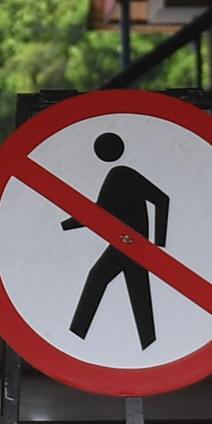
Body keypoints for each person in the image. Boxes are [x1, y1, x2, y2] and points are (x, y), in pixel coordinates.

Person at [68, 129, 175, 353]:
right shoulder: (118, 175)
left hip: (131, 244)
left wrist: (159, 242)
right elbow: (98, 213)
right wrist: (65, 225)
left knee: (98, 278)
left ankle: (74, 338)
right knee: (138, 292)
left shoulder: (121, 174)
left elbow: (162, 200)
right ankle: (151, 348)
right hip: (128, 244)